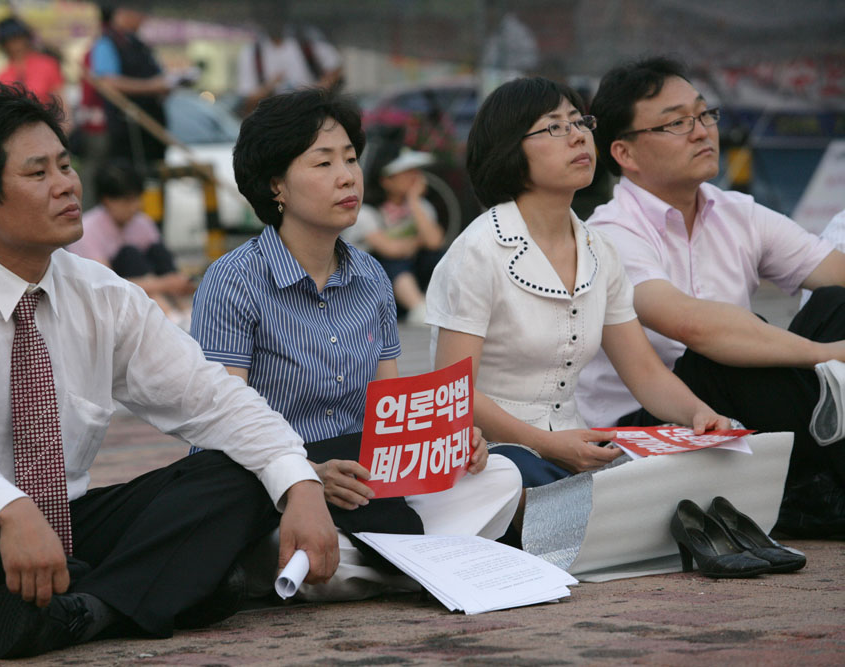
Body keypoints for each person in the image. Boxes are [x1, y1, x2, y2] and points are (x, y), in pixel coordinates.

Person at [0, 82, 338, 659]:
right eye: (38, 174)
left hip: (61, 527)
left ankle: (83, 610)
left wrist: (299, 481)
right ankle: (154, 589)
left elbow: (210, 398)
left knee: (240, 473)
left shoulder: (103, 295)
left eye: (66, 165)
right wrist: (7, 510)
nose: (67, 185)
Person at [191, 88, 521, 599]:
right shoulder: (234, 280)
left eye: (350, 159)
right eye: (323, 163)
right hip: (274, 489)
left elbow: (389, 416)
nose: (348, 176)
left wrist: (445, 443)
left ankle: (370, 566)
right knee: (296, 537)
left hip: (364, 484)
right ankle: (399, 562)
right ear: (275, 184)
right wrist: (304, 478)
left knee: (499, 474)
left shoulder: (370, 277)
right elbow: (216, 429)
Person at [574, 57, 845, 537]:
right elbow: (691, 326)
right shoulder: (609, 233)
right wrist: (825, 355)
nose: (701, 132)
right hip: (649, 423)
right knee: (719, 358)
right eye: (677, 122)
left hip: (743, 405)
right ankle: (814, 480)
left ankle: (811, 483)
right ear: (625, 153)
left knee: (835, 304)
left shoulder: (737, 211)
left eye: (704, 115)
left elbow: (835, 274)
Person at [425, 77, 729, 491]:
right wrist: (547, 445)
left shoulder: (599, 249)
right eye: (554, 127)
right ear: (510, 150)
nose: (578, 138)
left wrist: (699, 416)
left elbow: (643, 372)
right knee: (540, 490)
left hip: (576, 444)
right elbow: (453, 395)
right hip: (491, 454)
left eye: (579, 122)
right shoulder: (478, 251)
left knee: (700, 468)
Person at [68, 159, 194, 326]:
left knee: (157, 250)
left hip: (148, 288)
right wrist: (166, 283)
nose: (135, 206)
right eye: (127, 201)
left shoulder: (142, 222)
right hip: (107, 300)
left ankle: (183, 309)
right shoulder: (89, 229)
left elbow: (162, 261)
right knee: (129, 255)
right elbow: (105, 284)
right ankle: (168, 312)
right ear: (107, 200)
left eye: (137, 199)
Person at [356, 146, 445, 324]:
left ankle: (441, 306)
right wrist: (417, 241)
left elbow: (435, 242)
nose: (414, 178)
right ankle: (419, 309)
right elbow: (390, 249)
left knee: (438, 257)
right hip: (375, 286)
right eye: (406, 173)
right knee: (393, 262)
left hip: (412, 273)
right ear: (386, 181)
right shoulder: (366, 212)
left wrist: (414, 201)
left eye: (415, 172)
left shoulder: (420, 206)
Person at [89, 3, 174, 168]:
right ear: (122, 12)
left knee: (155, 177)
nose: (143, 17)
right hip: (128, 129)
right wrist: (151, 87)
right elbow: (107, 83)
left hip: (152, 127)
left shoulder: (140, 45)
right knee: (132, 178)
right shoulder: (106, 43)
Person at [236, 7, 343, 116]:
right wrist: (270, 86)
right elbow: (248, 99)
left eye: (275, 16)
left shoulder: (305, 42)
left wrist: (316, 90)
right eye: (267, 17)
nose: (272, 21)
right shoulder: (253, 52)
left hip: (311, 113)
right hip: (274, 119)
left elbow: (335, 66)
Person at [0, 16, 68, 113]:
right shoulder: (3, 74)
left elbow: (62, 102)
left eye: (18, 39)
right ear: (4, 45)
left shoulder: (47, 65)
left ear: (27, 39)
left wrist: (64, 126)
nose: (16, 45)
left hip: (46, 123)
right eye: (10, 41)